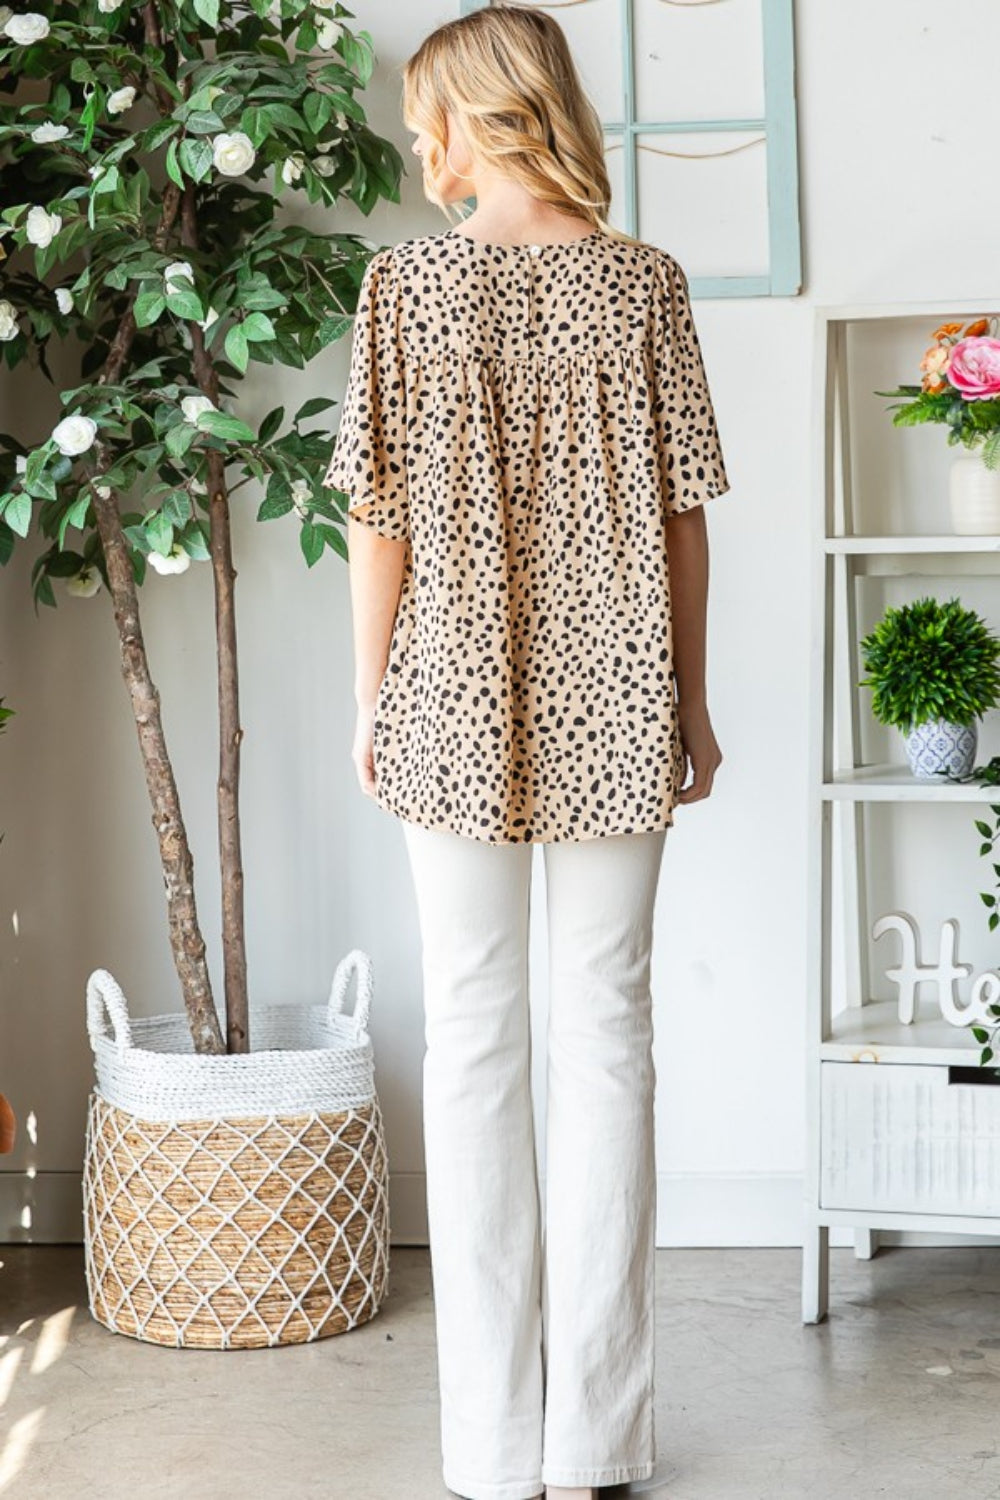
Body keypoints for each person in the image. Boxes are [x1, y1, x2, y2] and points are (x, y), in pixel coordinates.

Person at [321, 7, 731, 1498]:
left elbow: (380, 519)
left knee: (479, 1039)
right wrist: (688, 697)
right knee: (607, 1038)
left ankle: (492, 1451)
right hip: (621, 687)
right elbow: (688, 515)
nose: (411, 138)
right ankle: (596, 1444)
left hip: (451, 688)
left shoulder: (405, 288)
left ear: (467, 115)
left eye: (422, 112)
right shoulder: (643, 286)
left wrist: (370, 698)